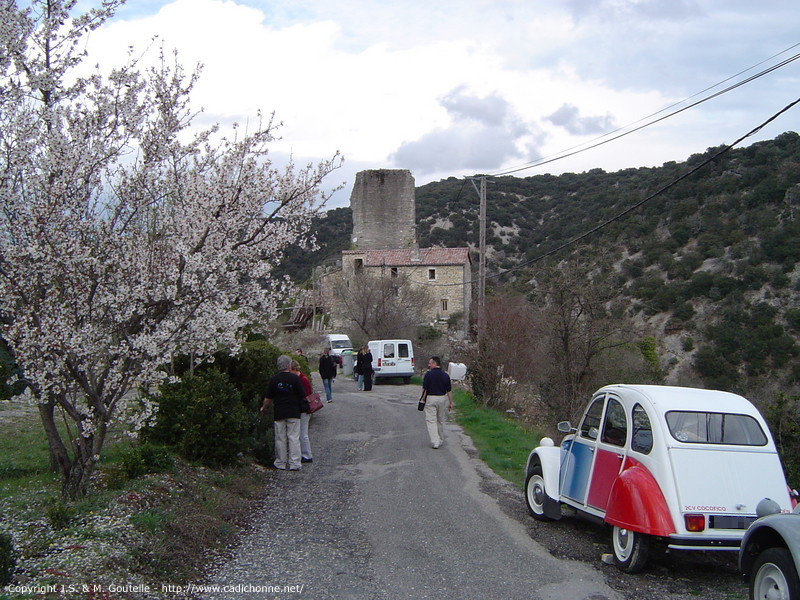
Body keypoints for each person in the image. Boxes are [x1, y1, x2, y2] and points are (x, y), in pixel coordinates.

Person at [261, 355, 306, 470]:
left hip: (279, 411)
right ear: (289, 365)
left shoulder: (274, 379)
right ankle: (295, 463)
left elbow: (268, 397)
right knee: (293, 437)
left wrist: (263, 408)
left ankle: (280, 462)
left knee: (280, 438)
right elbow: (302, 395)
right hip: (294, 411)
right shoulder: (295, 379)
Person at [419, 356, 453, 449]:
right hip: (442, 398)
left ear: (434, 363)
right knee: (440, 420)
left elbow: (424, 389)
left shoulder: (428, 375)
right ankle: (441, 439)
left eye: (430, 363)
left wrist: (422, 399)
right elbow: (449, 390)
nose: (428, 365)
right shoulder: (445, 375)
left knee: (431, 420)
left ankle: (435, 441)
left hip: (431, 398)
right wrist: (450, 402)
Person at [291, 360, 314, 464]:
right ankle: (305, 454)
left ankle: (307, 455)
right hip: (303, 408)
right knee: (302, 433)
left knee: (303, 433)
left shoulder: (302, 380)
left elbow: (306, 394)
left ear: (295, 369)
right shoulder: (301, 378)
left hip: (304, 408)